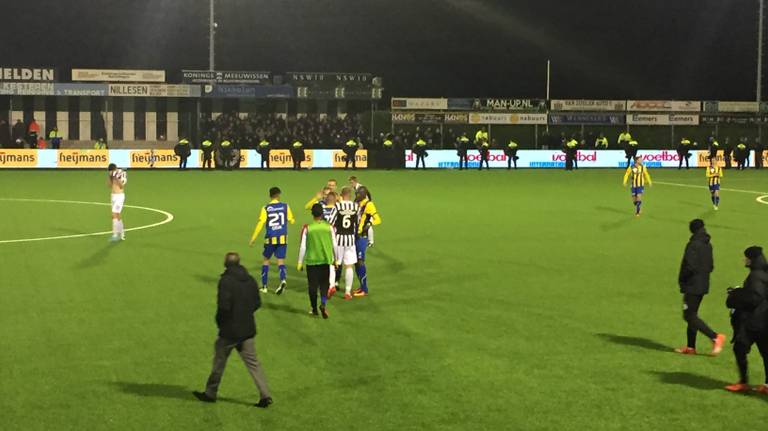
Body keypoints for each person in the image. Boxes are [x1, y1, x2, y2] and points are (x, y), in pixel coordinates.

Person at [193, 252, 273, 407]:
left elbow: (223, 307)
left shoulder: (226, 281)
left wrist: (221, 323)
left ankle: (210, 393)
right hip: (247, 329)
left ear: (226, 264)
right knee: (253, 363)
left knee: (219, 361)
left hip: (230, 331)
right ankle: (265, 395)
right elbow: (257, 303)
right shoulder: (250, 280)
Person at [675, 219, 726, 355]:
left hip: (692, 284)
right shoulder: (708, 245)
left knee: (689, 315)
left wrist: (683, 279)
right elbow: (711, 266)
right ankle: (691, 347)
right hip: (703, 284)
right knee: (693, 314)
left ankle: (715, 337)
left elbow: (689, 266)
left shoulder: (693, 244)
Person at [724, 246, 768, 394]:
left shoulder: (755, 276)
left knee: (739, 348)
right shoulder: (763, 273)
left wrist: (736, 294)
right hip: (763, 320)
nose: (744, 260)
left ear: (752, 259)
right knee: (765, 352)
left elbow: (754, 298)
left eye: (746, 258)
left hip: (754, 321)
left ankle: (743, 382)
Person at [249, 187, 295, 295]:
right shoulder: (285, 206)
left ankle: (264, 286)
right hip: (283, 238)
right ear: (279, 195)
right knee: (280, 261)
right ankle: (283, 279)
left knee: (266, 260)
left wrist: (253, 238)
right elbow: (292, 220)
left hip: (270, 238)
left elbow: (260, 223)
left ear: (270, 196)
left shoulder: (266, 208)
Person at [297, 204, 337, 319]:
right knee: (324, 284)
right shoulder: (329, 227)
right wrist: (337, 259)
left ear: (312, 214)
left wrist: (300, 262)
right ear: (322, 214)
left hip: (312, 261)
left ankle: (314, 309)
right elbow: (335, 244)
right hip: (325, 260)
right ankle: (323, 303)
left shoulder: (308, 228)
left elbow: (303, 247)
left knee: (312, 287)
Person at [329, 187, 359, 300]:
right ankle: (347, 292)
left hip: (338, 239)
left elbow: (331, 221)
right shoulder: (355, 206)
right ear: (350, 195)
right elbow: (357, 222)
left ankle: (331, 286)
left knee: (334, 263)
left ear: (341, 195)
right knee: (349, 266)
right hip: (350, 239)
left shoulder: (338, 205)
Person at [353, 186, 381, 297]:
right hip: (354, 235)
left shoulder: (369, 205)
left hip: (362, 237)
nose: (357, 196)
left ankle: (365, 289)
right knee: (355, 262)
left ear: (364, 194)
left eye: (359, 194)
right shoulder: (356, 203)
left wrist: (369, 224)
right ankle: (361, 286)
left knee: (360, 261)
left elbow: (378, 219)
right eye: (356, 194)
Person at [107, 164, 127, 242]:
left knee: (114, 214)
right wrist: (110, 177)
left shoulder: (120, 175)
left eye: (112, 171)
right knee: (117, 215)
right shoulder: (112, 175)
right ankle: (122, 233)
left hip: (119, 197)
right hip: (113, 196)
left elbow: (121, 186)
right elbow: (109, 186)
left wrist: (117, 178)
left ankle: (115, 234)